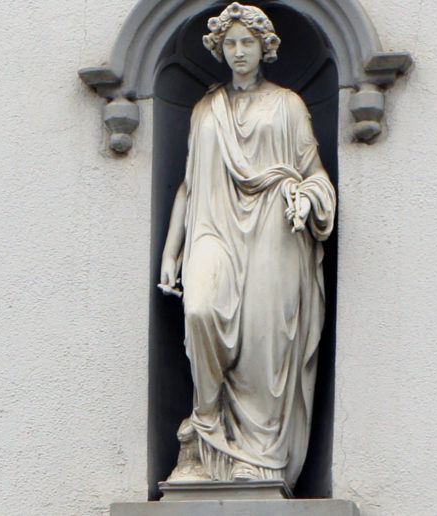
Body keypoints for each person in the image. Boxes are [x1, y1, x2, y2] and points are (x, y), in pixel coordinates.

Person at [157, 2, 335, 489]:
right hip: (213, 228)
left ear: (264, 48)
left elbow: (316, 176)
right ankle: (206, 430)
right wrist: (172, 252)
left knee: (264, 342)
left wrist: (306, 198)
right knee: (200, 312)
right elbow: (188, 187)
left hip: (274, 232)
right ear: (220, 49)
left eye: (247, 43)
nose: (238, 53)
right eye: (230, 44)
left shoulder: (289, 106)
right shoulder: (203, 110)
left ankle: (254, 458)